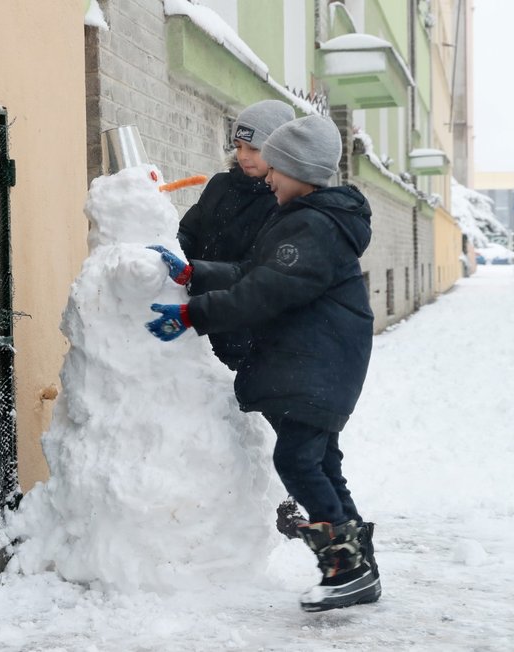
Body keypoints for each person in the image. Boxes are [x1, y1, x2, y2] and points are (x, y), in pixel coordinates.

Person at [145, 114, 380, 612]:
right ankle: (360, 569)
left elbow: (267, 290)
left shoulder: (314, 225)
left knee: (297, 460)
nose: (265, 175)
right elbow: (256, 270)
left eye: (275, 167)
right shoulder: (305, 218)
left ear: (299, 171)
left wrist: (194, 313)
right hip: (321, 364)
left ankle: (345, 569)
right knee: (321, 463)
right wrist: (197, 272)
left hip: (318, 364)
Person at [177, 99, 294, 371]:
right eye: (239, 146)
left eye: (254, 148)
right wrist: (169, 253)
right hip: (196, 320)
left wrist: (195, 273)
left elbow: (255, 272)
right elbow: (188, 231)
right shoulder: (220, 185)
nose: (243, 156)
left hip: (244, 331)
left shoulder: (280, 201)